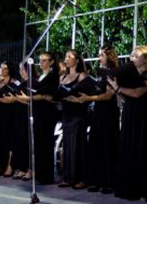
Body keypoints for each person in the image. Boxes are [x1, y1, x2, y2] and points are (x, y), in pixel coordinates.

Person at [112, 46, 147, 201]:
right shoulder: (130, 75)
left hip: (143, 116)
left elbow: (138, 93)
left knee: (142, 149)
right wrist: (117, 90)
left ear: (146, 58)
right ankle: (130, 188)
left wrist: (118, 88)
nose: (132, 58)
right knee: (129, 148)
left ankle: (145, 189)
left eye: (136, 55)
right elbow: (127, 97)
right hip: (129, 113)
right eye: (131, 55)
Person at [13, 52, 60, 183]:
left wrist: (28, 97)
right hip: (38, 111)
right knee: (38, 144)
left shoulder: (53, 76)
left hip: (47, 114)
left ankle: (46, 176)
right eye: (40, 60)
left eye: (44, 60)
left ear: (51, 62)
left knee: (45, 143)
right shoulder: (40, 77)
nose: (41, 63)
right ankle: (39, 174)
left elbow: (47, 94)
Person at [84, 46, 120, 193]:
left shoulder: (114, 72)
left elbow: (109, 95)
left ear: (109, 56)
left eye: (102, 55)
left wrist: (88, 98)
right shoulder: (99, 72)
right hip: (98, 110)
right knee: (96, 144)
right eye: (99, 55)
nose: (99, 58)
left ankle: (109, 182)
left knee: (108, 145)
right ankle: (97, 180)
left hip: (109, 111)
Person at [56, 49, 90, 189]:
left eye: (69, 56)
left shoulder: (82, 75)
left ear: (77, 60)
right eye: (66, 56)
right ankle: (68, 177)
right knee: (68, 146)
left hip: (78, 114)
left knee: (78, 146)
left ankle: (80, 179)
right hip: (66, 114)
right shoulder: (62, 76)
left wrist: (74, 97)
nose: (66, 59)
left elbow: (85, 94)